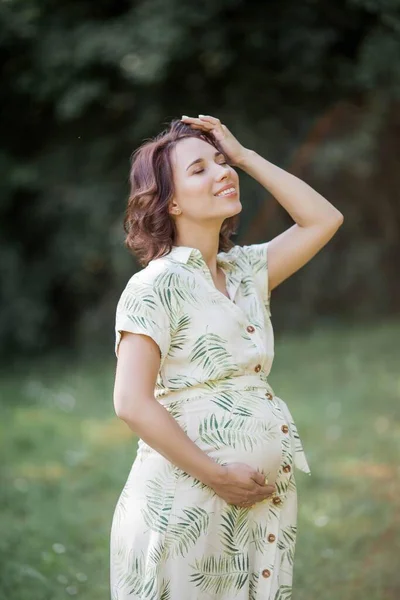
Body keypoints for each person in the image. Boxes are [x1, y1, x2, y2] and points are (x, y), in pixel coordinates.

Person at [110, 114, 343, 600]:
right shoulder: (155, 285)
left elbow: (324, 218)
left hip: (252, 510)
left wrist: (245, 156)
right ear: (170, 201)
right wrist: (220, 477)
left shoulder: (245, 272)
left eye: (221, 162)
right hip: (184, 507)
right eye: (199, 170)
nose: (222, 172)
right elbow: (131, 401)